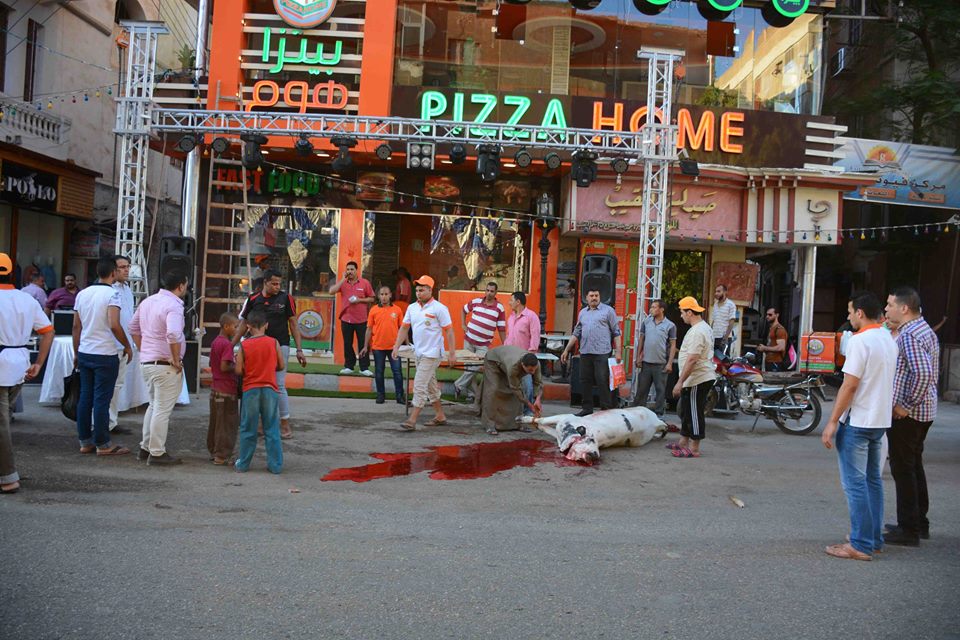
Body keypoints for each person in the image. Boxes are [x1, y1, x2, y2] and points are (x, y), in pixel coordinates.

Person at [820, 292, 897, 561]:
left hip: (859, 420)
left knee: (855, 485)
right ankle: (872, 539)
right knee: (872, 481)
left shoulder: (860, 341)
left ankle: (860, 544)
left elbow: (850, 385)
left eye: (851, 311)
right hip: (879, 421)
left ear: (861, 313)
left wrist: (832, 421)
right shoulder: (888, 339)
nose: (849, 316)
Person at [883, 286, 939, 546]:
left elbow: (923, 373)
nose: (886, 309)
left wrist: (905, 404)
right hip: (923, 411)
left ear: (904, 308)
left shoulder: (910, 334)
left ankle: (909, 530)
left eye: (890, 304)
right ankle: (918, 523)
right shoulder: (922, 328)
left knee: (903, 469)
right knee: (913, 466)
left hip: (910, 414)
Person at [0, 252, 54, 494]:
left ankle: (8, 477)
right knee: (4, 421)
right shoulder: (26, 300)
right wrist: (39, 363)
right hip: (20, 364)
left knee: (1, 425)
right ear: (12, 272)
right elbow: (48, 331)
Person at [72, 256, 133, 458]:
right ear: (113, 272)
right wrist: (127, 345)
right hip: (105, 352)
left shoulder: (82, 293)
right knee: (102, 400)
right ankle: (103, 443)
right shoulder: (112, 294)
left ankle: (85, 441)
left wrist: (76, 352)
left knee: (85, 397)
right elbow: (114, 324)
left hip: (85, 351)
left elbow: (76, 326)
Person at [237, 269, 307, 439]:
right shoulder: (253, 299)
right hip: (257, 347)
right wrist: (231, 344)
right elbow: (243, 324)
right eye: (274, 284)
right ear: (265, 282)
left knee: (279, 384)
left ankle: (284, 424)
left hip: (280, 345)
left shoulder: (286, 298)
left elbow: (293, 324)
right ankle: (261, 423)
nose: (277, 287)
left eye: (279, 284)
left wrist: (299, 349)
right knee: (259, 384)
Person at [130, 271, 188, 466]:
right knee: (161, 409)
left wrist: (144, 349)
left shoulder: (148, 301)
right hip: (164, 364)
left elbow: (133, 328)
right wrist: (175, 359)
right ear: (181, 286)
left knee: (154, 406)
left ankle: (146, 448)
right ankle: (156, 452)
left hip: (148, 362)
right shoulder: (174, 305)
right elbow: (173, 333)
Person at [392, 275, 456, 431]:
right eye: (417, 290)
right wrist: (396, 346)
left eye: (422, 290)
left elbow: (449, 331)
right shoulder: (412, 308)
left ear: (430, 290)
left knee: (419, 385)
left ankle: (412, 420)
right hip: (419, 352)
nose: (418, 293)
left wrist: (452, 353)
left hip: (433, 353)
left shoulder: (439, 308)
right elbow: (404, 328)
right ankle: (440, 416)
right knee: (430, 386)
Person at [234, 309, 285, 474]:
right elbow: (281, 365)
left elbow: (238, 370)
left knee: (248, 428)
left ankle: (243, 464)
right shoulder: (274, 342)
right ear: (266, 325)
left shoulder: (244, 345)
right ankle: (275, 466)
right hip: (270, 389)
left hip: (251, 389)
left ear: (248, 326)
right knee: (272, 428)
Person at [560, 289, 621, 417]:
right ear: (586, 298)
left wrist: (618, 352)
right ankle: (587, 408)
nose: (594, 298)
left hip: (602, 352)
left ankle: (606, 409)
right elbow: (576, 333)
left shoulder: (608, 311)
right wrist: (566, 350)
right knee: (585, 380)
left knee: (602, 380)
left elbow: (616, 332)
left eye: (596, 295)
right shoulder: (582, 313)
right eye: (591, 296)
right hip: (585, 351)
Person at [669, 297, 715, 459]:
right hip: (694, 378)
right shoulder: (700, 327)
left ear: (689, 312)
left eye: (682, 312)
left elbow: (692, 359)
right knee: (687, 411)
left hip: (698, 377)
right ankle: (683, 442)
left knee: (694, 413)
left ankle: (694, 448)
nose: (681, 316)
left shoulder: (697, 331)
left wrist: (679, 382)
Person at [454, 282, 506, 404]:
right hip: (469, 340)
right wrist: (463, 324)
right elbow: (463, 310)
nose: (489, 293)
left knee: (475, 367)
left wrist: (505, 344)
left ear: (496, 293)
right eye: (487, 290)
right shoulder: (476, 301)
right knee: (469, 368)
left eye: (492, 291)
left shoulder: (500, 308)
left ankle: (458, 384)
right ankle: (471, 395)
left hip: (483, 345)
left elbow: (501, 328)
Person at [479, 346, 543, 435]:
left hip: (506, 359)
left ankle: (517, 423)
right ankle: (489, 424)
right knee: (493, 390)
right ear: (522, 365)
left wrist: (537, 399)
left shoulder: (536, 364)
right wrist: (529, 404)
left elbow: (538, 382)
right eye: (530, 370)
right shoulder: (513, 367)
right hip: (493, 360)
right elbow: (515, 388)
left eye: (534, 369)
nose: (532, 372)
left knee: (518, 393)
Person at [359, 286, 406, 405]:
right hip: (378, 347)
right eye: (382, 294)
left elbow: (403, 328)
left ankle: (400, 396)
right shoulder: (373, 310)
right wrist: (365, 346)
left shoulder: (397, 310)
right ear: (378, 296)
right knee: (379, 372)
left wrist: (407, 343)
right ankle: (380, 395)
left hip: (394, 348)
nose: (384, 297)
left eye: (386, 294)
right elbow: (369, 329)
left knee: (397, 372)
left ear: (390, 295)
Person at [329, 261, 375, 377]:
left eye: (352, 269)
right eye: (348, 269)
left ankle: (364, 367)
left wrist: (359, 300)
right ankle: (349, 366)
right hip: (346, 318)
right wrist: (342, 279)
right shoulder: (343, 283)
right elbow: (331, 292)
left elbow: (371, 298)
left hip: (361, 319)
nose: (350, 271)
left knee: (363, 343)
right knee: (347, 343)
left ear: (356, 270)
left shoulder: (364, 283)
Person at [632, 299, 677, 418]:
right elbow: (641, 339)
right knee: (642, 390)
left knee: (660, 390)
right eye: (651, 307)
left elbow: (673, 345)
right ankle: (637, 413)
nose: (651, 309)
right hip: (646, 363)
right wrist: (638, 357)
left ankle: (659, 415)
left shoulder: (670, 325)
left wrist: (670, 363)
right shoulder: (646, 322)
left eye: (654, 307)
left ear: (661, 309)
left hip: (661, 364)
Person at [108, 255, 136, 434]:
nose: (126, 270)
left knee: (117, 386)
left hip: (124, 345)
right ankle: (100, 424)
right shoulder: (109, 290)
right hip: (111, 345)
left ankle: (111, 421)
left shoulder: (127, 289)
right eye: (122, 267)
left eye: (128, 266)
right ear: (113, 270)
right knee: (107, 386)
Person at [208, 313, 240, 466]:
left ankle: (214, 451)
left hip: (215, 388)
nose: (237, 329)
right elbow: (224, 366)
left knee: (216, 423)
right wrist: (237, 366)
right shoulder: (227, 344)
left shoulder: (215, 342)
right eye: (235, 326)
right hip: (227, 389)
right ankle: (222, 455)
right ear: (226, 326)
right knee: (227, 424)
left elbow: (212, 363)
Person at [505, 291, 541, 411]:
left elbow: (535, 337)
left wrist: (531, 356)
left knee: (527, 386)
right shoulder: (511, 317)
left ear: (518, 302)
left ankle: (528, 412)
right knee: (512, 385)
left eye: (511, 300)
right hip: (510, 358)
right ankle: (514, 411)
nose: (509, 303)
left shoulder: (531, 316)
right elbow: (508, 336)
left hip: (525, 358)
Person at [756, 307, 788, 371]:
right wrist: (763, 348)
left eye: (770, 315)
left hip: (776, 362)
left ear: (777, 315)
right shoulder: (771, 328)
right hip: (769, 361)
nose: (767, 317)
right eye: (767, 314)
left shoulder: (780, 329)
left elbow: (781, 347)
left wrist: (765, 348)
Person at [710, 284, 737, 351]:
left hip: (724, 338)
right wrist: (710, 334)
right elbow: (714, 321)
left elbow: (732, 322)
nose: (716, 293)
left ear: (725, 292)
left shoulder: (731, 304)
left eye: (719, 291)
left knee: (723, 357)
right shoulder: (715, 305)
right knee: (713, 357)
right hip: (714, 337)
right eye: (716, 291)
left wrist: (725, 337)